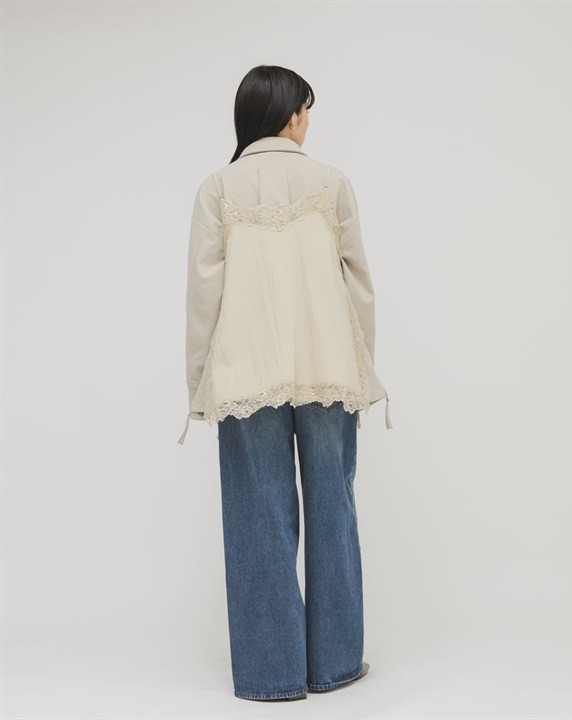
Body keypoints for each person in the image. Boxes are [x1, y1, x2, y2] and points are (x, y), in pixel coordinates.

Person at [177, 65, 393, 702]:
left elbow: (203, 298)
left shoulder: (217, 189)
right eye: (307, 109)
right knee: (334, 509)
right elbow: (359, 287)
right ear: (292, 115)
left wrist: (198, 385)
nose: (308, 121)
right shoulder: (331, 183)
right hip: (328, 369)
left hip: (246, 373)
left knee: (256, 517)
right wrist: (361, 366)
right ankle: (337, 664)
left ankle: (271, 674)